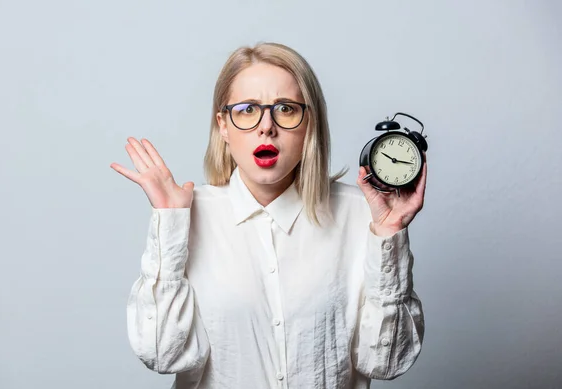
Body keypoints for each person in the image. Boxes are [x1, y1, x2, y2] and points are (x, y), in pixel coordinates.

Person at [110, 42, 427, 389]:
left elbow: (386, 362)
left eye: (286, 109)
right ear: (223, 127)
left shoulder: (363, 216)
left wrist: (390, 235)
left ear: (310, 124)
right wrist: (169, 226)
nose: (266, 127)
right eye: (247, 110)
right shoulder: (186, 215)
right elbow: (162, 355)